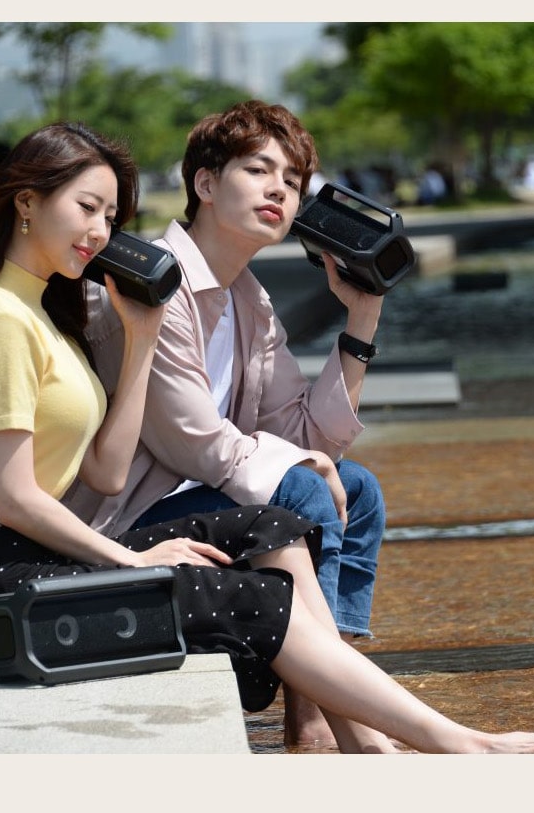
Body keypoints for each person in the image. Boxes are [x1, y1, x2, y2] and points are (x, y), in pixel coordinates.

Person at [0, 120, 534, 754]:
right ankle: (444, 745)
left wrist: (146, 340)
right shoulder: (0, 318)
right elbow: (11, 500)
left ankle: (366, 743)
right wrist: (132, 562)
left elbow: (107, 473)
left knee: (282, 523)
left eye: (111, 216)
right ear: (25, 203)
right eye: (87, 208)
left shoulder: (48, 316)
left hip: (51, 556)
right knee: (260, 579)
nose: (100, 232)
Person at [61, 100, 390, 747]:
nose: (279, 189)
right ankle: (340, 724)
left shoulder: (249, 302)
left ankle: (314, 709)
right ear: (206, 184)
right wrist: (300, 464)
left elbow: (309, 435)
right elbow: (189, 441)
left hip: (202, 504)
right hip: (122, 525)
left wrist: (361, 320)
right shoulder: (151, 280)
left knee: (360, 491)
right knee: (299, 487)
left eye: (292, 181)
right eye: (259, 170)